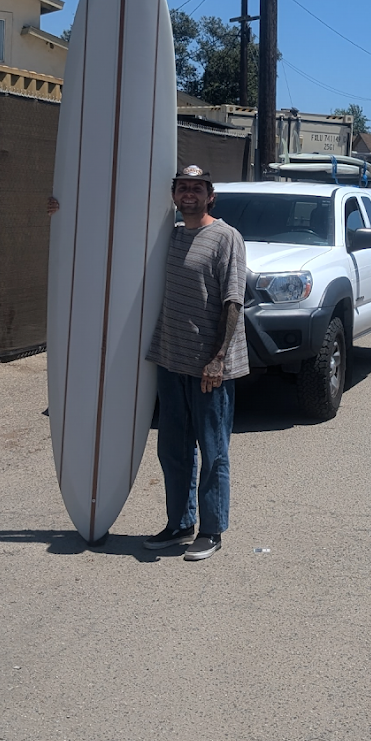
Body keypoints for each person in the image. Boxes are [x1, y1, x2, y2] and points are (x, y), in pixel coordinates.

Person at [144, 164, 248, 561]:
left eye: (197, 188)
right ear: (173, 195)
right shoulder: (168, 236)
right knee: (173, 450)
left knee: (213, 451)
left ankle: (211, 531)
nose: (189, 193)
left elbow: (233, 301)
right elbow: (112, 234)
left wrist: (218, 359)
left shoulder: (226, 237)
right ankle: (180, 524)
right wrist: (63, 211)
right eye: (182, 187)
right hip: (171, 359)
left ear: (210, 196)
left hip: (209, 367)